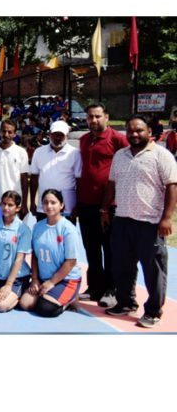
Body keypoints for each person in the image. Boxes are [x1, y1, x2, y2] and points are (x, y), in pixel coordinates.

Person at [101, 115, 177, 328]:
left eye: (139, 130)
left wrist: (166, 218)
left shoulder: (162, 155)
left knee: (153, 270)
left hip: (150, 222)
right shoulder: (120, 155)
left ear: (149, 132)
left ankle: (153, 311)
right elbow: (111, 184)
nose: (134, 134)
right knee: (122, 267)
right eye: (130, 131)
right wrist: (105, 209)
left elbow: (172, 186)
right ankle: (126, 302)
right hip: (123, 219)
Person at [76, 103, 128, 308]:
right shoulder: (83, 140)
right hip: (86, 203)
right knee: (91, 248)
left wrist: (108, 205)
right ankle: (95, 287)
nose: (94, 120)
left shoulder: (118, 139)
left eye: (98, 116)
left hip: (109, 205)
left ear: (106, 116)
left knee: (110, 248)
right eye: (90, 117)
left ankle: (111, 288)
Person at [19, 189, 84, 318]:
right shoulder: (38, 227)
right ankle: (52, 296)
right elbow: (35, 256)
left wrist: (52, 283)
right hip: (44, 278)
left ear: (61, 205)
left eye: (53, 202)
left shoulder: (68, 229)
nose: (49, 206)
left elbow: (71, 262)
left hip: (66, 280)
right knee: (25, 304)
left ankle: (71, 300)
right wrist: (35, 280)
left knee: (45, 308)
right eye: (45, 202)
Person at [0, 191, 32, 312]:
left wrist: (9, 285)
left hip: (16, 278)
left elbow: (19, 259)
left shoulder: (23, 229)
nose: (6, 208)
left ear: (18, 208)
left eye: (10, 205)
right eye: (3, 204)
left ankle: (17, 294)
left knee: (1, 306)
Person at [29, 120, 82, 221]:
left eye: (61, 135)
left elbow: (79, 181)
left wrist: (77, 205)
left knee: (65, 236)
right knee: (43, 235)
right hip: (44, 207)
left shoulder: (75, 153)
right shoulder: (39, 152)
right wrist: (32, 202)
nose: (57, 138)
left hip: (67, 207)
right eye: (55, 134)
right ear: (49, 134)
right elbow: (34, 178)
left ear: (67, 136)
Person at [0, 119, 29, 215]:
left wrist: (24, 204)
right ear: (0, 132)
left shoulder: (21, 152)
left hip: (14, 201)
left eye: (10, 132)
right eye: (4, 131)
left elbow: (24, 179)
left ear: (15, 134)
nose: (6, 134)